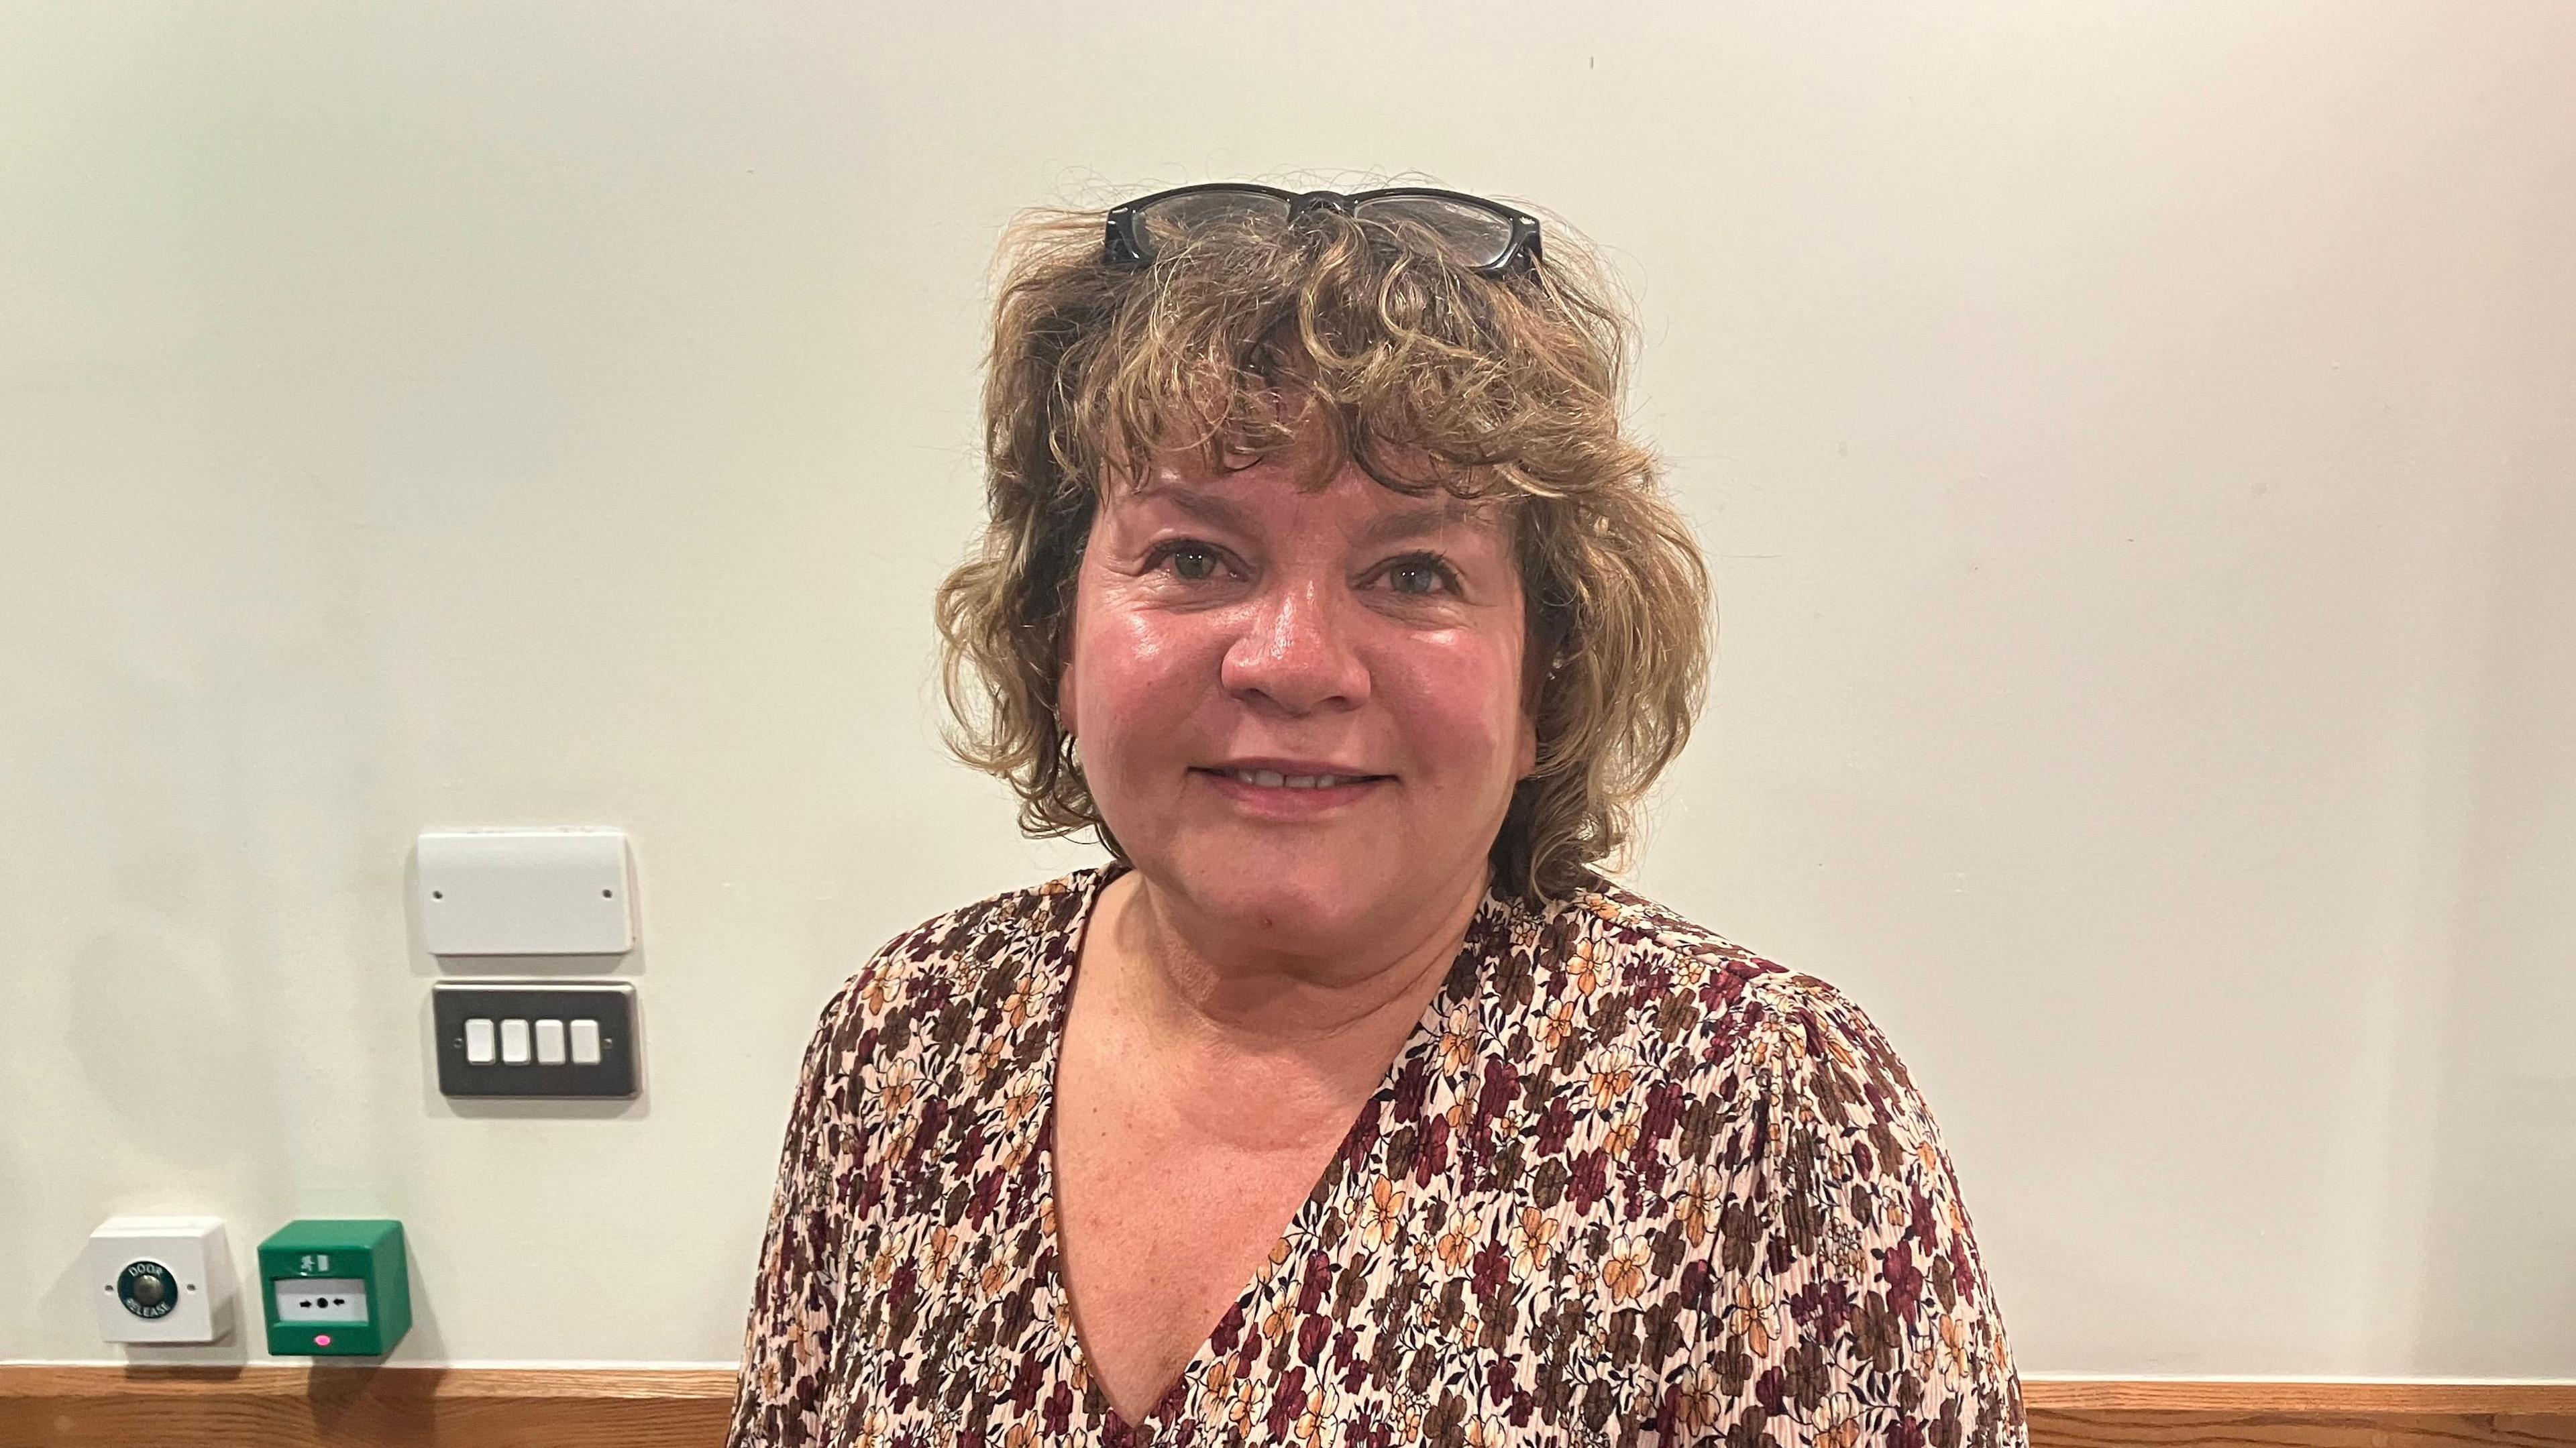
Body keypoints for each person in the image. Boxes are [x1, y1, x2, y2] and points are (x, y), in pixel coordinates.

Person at [725, 182, 2026, 1448]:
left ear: (1544, 679)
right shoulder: (902, 1045)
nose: (1291, 660)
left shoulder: (1750, 1110)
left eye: (1413, 572)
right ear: (1057, 638)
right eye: (1195, 558)